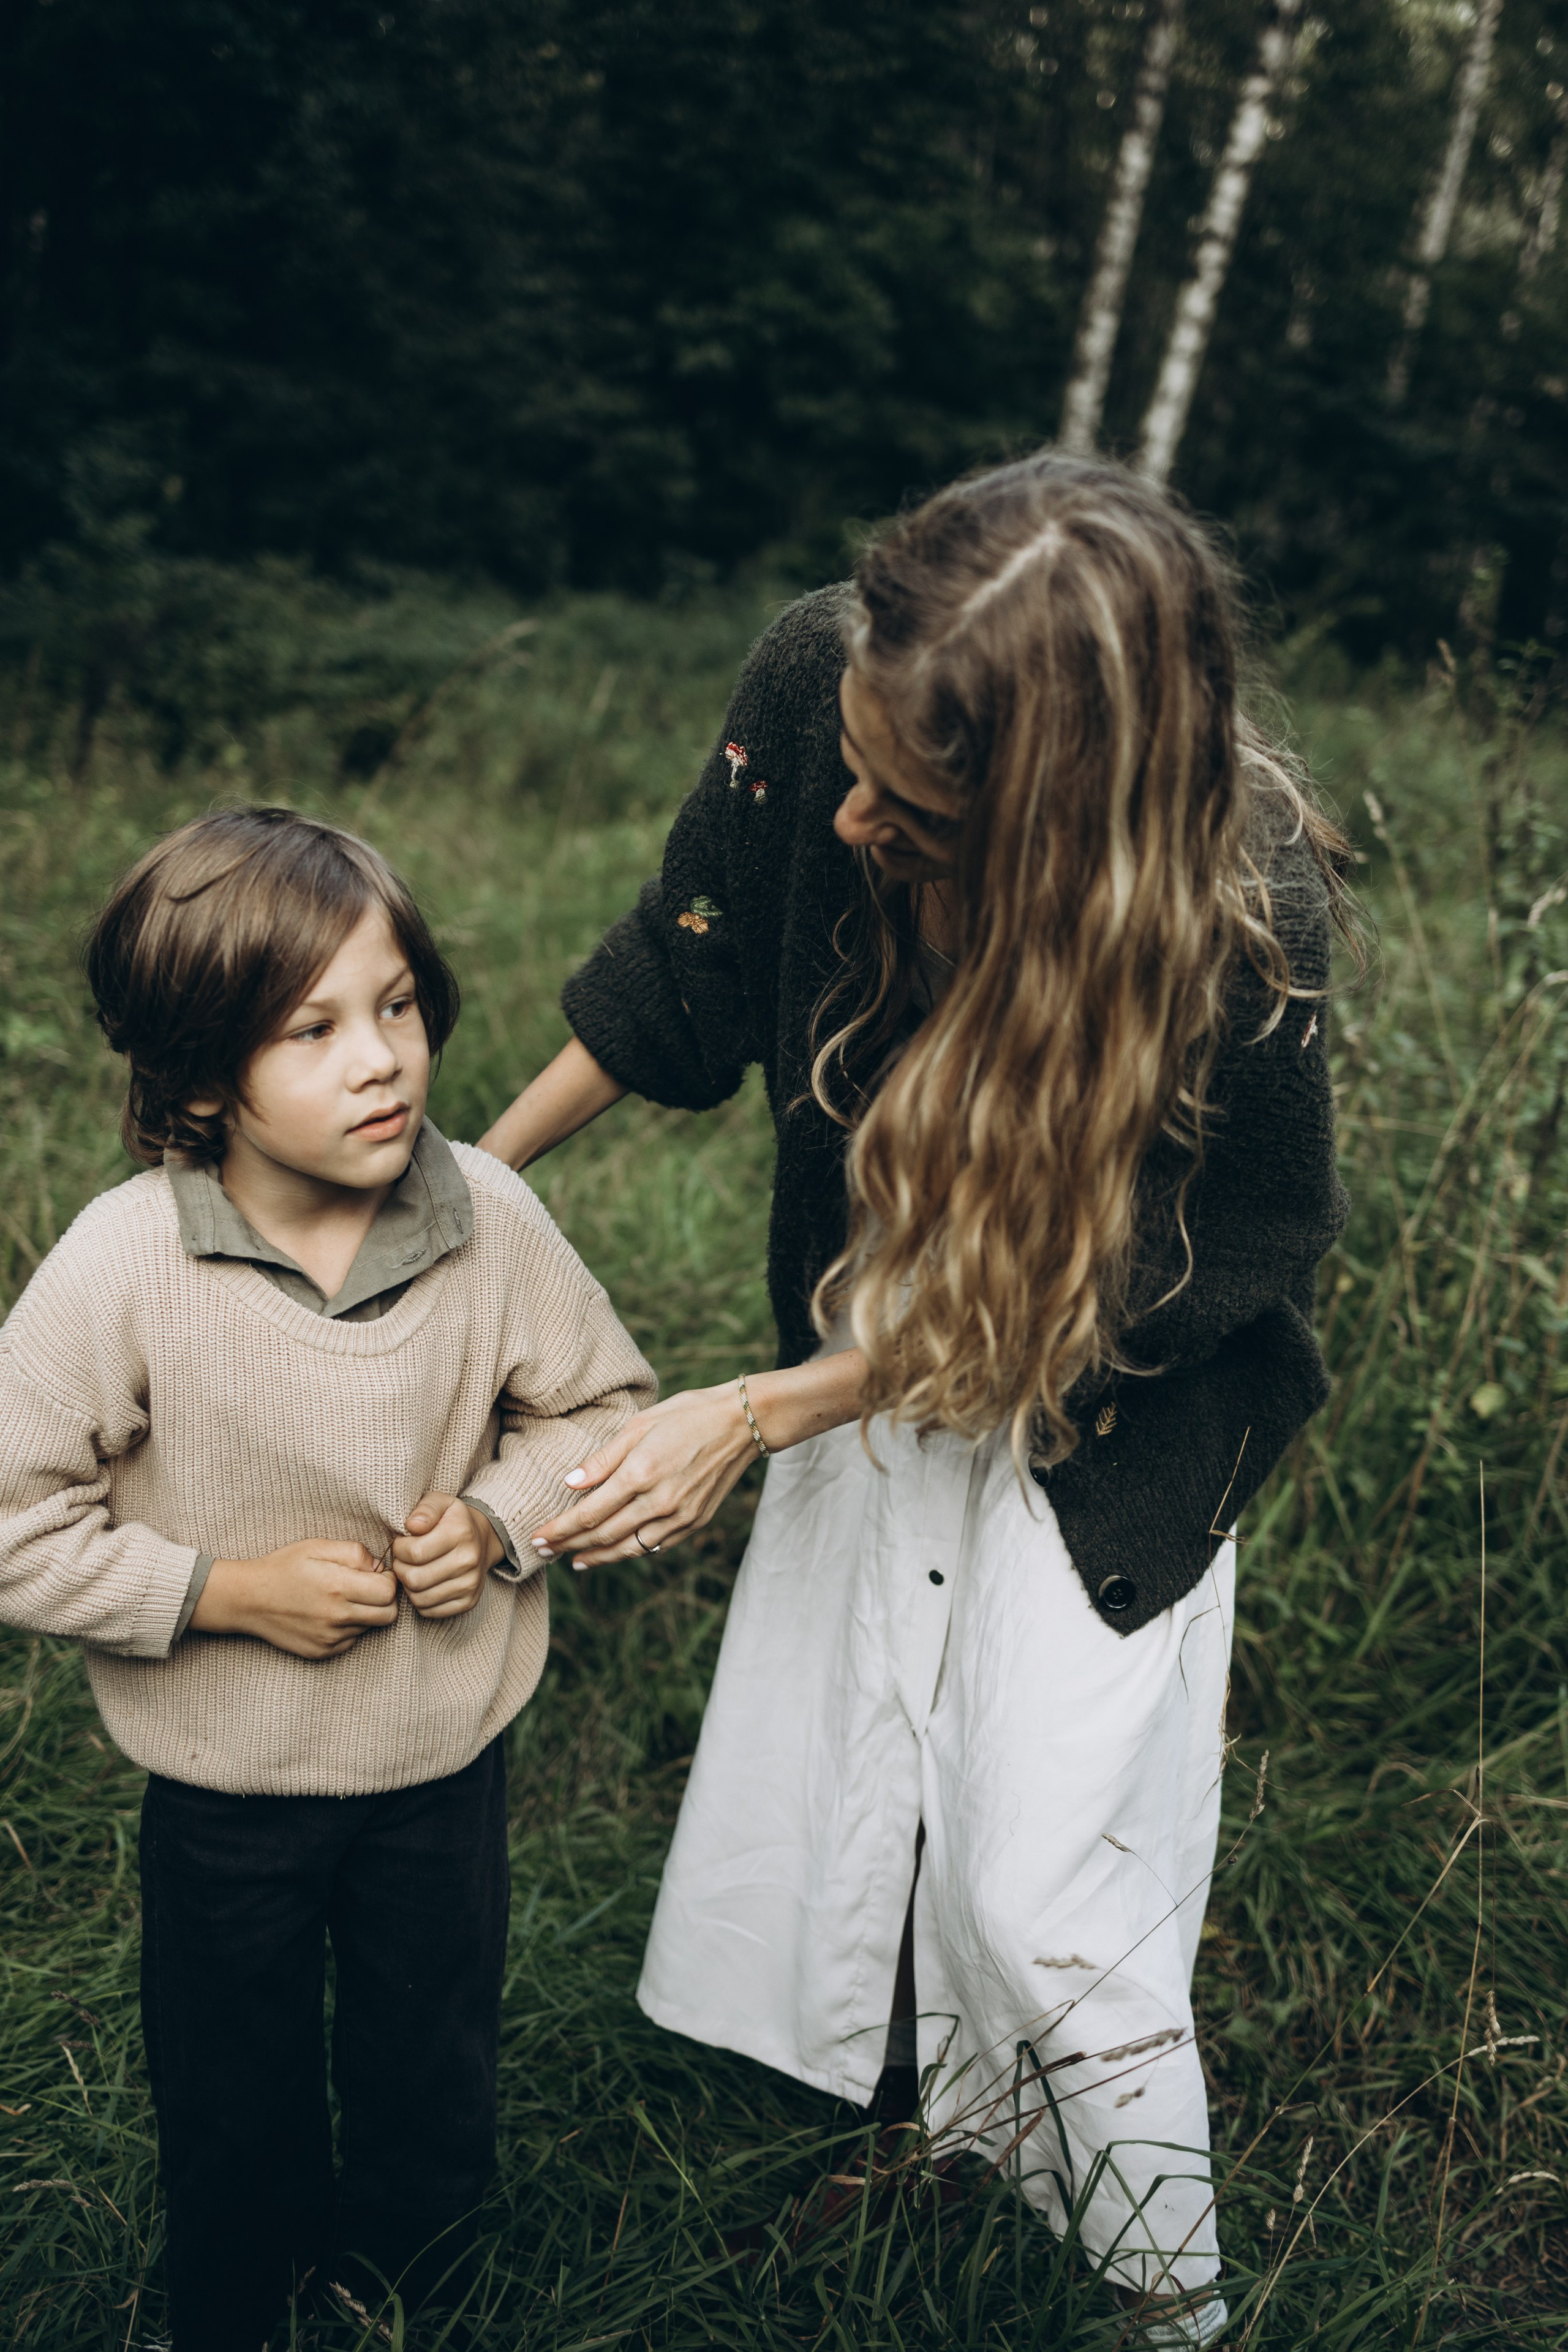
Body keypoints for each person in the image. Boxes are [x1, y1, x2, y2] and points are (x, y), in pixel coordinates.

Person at [481, 454, 1352, 2342]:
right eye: (855, 762)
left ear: (1060, 832)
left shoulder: (1232, 936)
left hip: (1117, 1407)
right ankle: (950, 2131)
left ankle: (1164, 2297)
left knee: (1046, 1864)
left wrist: (762, 1410)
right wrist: (472, 1180)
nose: (855, 812)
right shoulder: (822, 673)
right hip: (872, 1318)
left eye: (920, 807)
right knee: (876, 1745)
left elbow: (1158, 1288)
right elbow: (684, 961)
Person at [0, 808, 654, 2350]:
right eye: (313, 1030)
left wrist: (497, 1521)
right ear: (205, 1077)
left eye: (397, 1005)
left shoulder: (489, 1219)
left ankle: (426, 2289)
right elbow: (13, 1510)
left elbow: (604, 1412)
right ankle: (237, 2300)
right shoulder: (127, 1263)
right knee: (229, 2073)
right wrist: (221, 1595)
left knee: (431, 2057)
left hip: (437, 1759)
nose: (381, 1058)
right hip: (227, 1785)